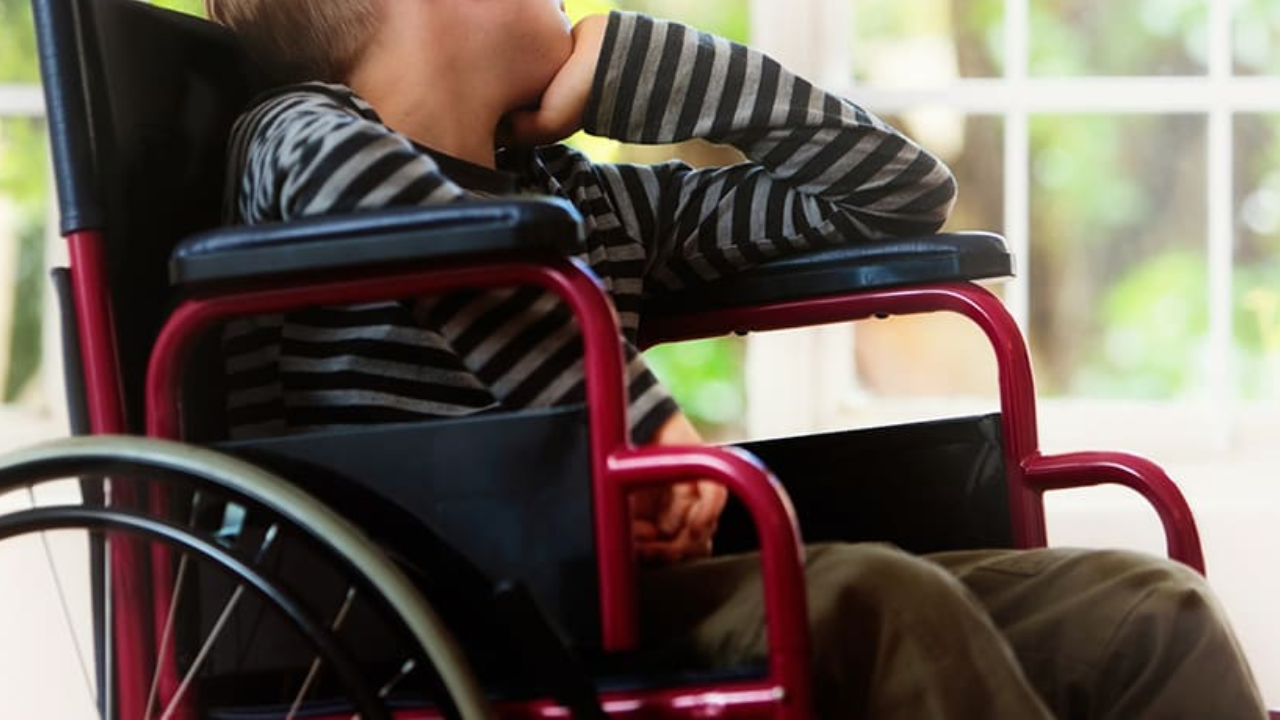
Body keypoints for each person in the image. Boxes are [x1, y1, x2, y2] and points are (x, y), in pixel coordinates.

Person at [205, 0, 1268, 717]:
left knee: (1146, 614)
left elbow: (893, 192)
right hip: (432, 614)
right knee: (874, 605)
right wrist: (630, 423)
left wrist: (647, 74)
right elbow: (408, 225)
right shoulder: (293, 139)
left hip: (615, 596)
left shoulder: (584, 200)